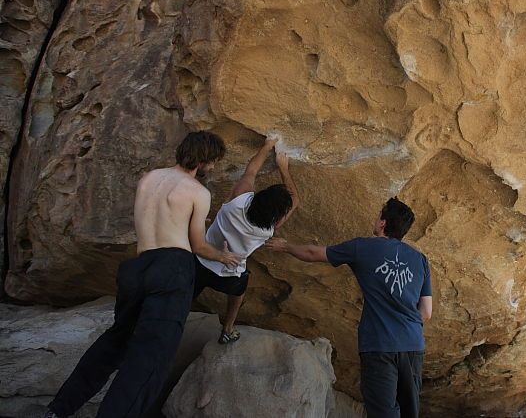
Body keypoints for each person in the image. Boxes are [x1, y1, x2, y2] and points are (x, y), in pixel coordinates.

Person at [45, 131, 242, 418]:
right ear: (204, 159)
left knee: (114, 343)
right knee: (150, 356)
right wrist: (223, 255)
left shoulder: (149, 178)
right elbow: (198, 245)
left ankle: (58, 411)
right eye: (212, 162)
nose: (212, 168)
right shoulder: (198, 192)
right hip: (172, 268)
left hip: (137, 268)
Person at [266, 197, 433, 418]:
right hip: (413, 345)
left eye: (378, 216)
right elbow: (426, 312)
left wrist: (286, 246)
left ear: (383, 223)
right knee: (409, 411)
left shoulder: (362, 248)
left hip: (379, 345)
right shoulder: (420, 259)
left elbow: (313, 253)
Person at [192, 136, 299, 344]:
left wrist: (267, 145)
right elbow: (295, 199)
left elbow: (252, 169)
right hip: (229, 273)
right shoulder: (269, 229)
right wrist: (283, 168)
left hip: (201, 260)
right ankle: (228, 328)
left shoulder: (239, 199)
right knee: (238, 293)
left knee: (185, 294)